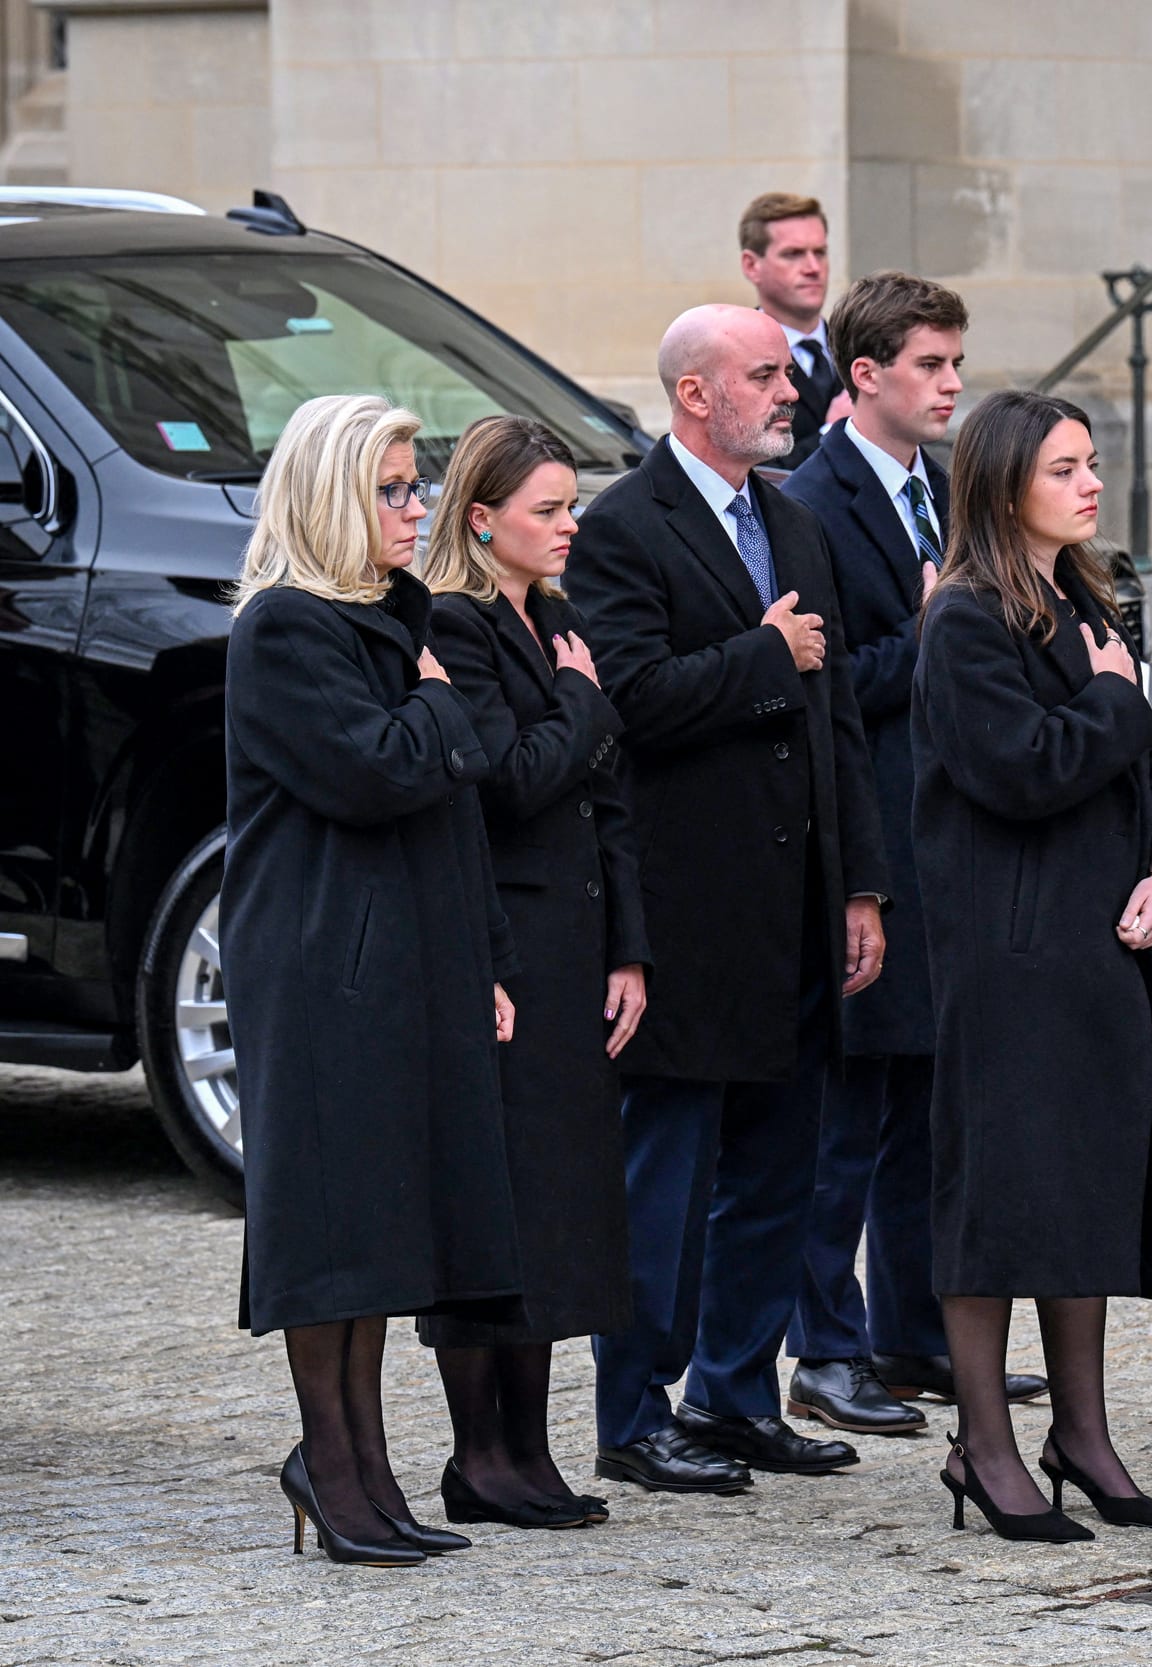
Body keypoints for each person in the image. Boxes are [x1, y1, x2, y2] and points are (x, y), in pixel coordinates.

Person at [566, 304, 891, 1496]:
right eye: (763, 376)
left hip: (795, 908)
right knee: (667, 1173)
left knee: (780, 1169)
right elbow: (627, 701)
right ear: (695, 393)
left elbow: (838, 715)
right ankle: (634, 1408)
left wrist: (860, 882)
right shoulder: (619, 528)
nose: (788, 392)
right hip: (685, 912)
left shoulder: (794, 522)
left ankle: (738, 1392)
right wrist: (762, 653)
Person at [224, 393, 521, 1566]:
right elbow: (379, 769)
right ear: (333, 494)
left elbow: (457, 797)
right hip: (320, 969)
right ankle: (332, 1467)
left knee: (385, 1224)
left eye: (418, 485)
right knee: (331, 1228)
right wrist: (442, 701)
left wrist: (485, 958)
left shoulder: (395, 617)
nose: (417, 508)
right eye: (393, 488)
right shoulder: (286, 628)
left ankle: (364, 1471)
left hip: (406, 961)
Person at [912, 390, 1152, 1542]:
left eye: (1092, 462)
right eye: (1066, 468)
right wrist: (1113, 702)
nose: (1090, 483)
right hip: (1009, 952)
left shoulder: (1087, 597)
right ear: (1004, 486)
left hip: (1103, 949)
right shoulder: (964, 619)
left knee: (1083, 1186)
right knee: (997, 1192)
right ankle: (983, 1444)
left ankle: (1081, 1432)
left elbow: (1150, 768)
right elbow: (1022, 768)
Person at [781, 272, 1042, 1433]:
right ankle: (822, 1345)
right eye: (930, 366)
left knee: (931, 1107)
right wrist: (934, 630)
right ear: (866, 374)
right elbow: (826, 680)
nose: (951, 385)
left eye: (956, 363)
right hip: (872, 829)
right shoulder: (818, 500)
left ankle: (915, 1332)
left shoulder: (941, 491)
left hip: (950, 841)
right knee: (847, 1116)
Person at [414, 415, 649, 1530]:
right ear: (482, 518)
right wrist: (584, 703)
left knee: (560, 1203)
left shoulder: (555, 620)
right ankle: (480, 1453)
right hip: (505, 944)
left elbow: (606, 800)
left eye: (572, 505)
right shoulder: (455, 627)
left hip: (577, 944)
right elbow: (507, 782)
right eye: (548, 509)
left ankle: (529, 1447)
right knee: (498, 1199)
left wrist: (631, 949)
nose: (569, 526)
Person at [739, 192, 849, 467]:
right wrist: (832, 431)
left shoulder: (858, 346)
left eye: (820, 252)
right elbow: (754, 473)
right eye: (793, 254)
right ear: (752, 266)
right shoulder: (737, 358)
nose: (813, 268)